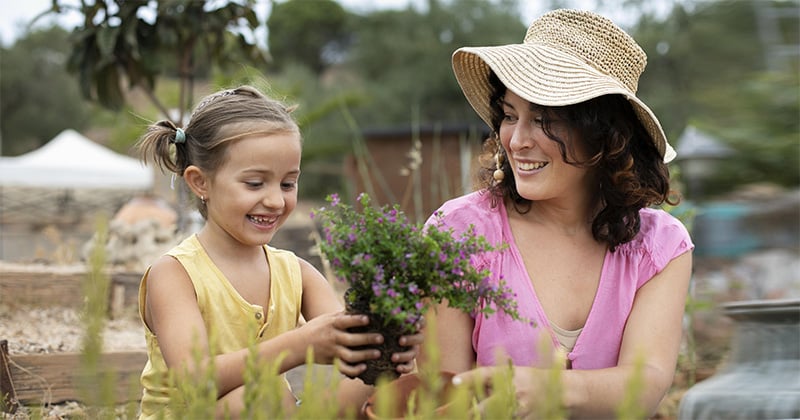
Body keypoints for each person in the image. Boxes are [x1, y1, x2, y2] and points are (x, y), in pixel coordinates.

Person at [421, 9, 694, 419]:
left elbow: (646, 384)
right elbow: (440, 395)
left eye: (546, 119)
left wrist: (549, 389)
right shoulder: (458, 232)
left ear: (605, 136)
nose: (517, 140)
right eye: (511, 116)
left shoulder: (659, 247)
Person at [135, 86, 421, 419]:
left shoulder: (296, 272)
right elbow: (195, 381)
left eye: (287, 184)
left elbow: (345, 338)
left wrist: (385, 348)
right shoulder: (174, 274)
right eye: (255, 183)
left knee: (380, 383)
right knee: (262, 396)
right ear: (200, 183)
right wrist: (300, 345)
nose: (275, 200)